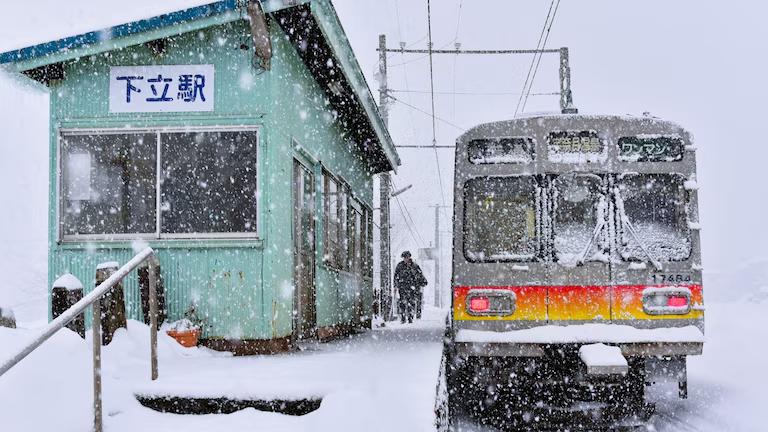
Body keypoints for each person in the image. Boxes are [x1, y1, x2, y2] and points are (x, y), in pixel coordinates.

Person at [393, 250, 427, 323]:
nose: (406, 259)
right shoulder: (400, 266)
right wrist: (395, 286)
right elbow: (396, 276)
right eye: (404, 257)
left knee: (411, 302)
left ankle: (410, 317)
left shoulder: (414, 266)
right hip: (402, 287)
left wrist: (421, 282)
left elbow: (420, 275)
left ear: (409, 257)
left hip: (412, 287)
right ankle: (403, 317)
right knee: (402, 302)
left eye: (407, 257)